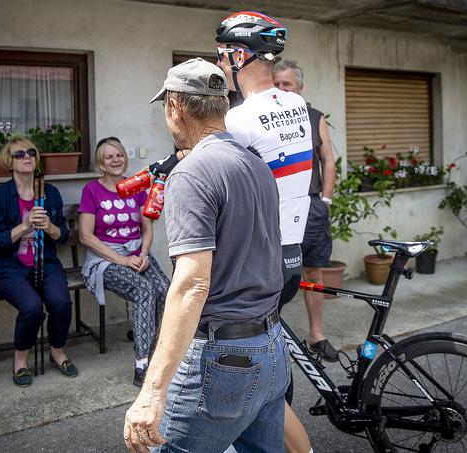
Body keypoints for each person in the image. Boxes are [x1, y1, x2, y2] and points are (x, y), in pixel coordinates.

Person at [124, 57, 289, 452]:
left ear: (175, 108)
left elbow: (192, 285)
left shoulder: (193, 172)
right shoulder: (256, 163)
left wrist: (152, 391)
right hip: (271, 348)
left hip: (224, 361)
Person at [215, 12, 317, 453]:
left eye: (222, 57)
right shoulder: (295, 106)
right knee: (268, 357)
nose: (220, 67)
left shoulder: (239, 120)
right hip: (292, 249)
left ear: (239, 55)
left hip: (258, 260)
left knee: (248, 366)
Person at [0, 136, 78, 387]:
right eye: (19, 154)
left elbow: (63, 236)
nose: (27, 157)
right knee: (32, 306)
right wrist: (25, 226)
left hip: (44, 262)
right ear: (9, 161)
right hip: (8, 268)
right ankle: (20, 360)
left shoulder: (50, 193)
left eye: (31, 152)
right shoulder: (0, 196)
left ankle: (57, 351)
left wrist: (49, 227)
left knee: (60, 302)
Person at [78, 137, 170, 387]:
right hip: (106, 259)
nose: (116, 160)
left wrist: (142, 254)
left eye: (119, 154)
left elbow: (147, 228)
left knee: (166, 291)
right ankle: (142, 364)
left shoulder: (135, 187)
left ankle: (159, 352)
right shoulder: (92, 191)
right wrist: (121, 259)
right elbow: (85, 236)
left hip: (137, 254)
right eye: (109, 157)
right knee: (144, 290)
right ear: (101, 163)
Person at [273, 59, 338, 362]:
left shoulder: (314, 117)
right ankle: (272, 339)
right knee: (274, 273)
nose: (281, 89)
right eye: (277, 83)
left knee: (313, 270)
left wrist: (325, 199)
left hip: (310, 205)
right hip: (275, 208)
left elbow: (329, 158)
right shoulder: (266, 118)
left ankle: (317, 335)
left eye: (287, 84)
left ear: (300, 88)